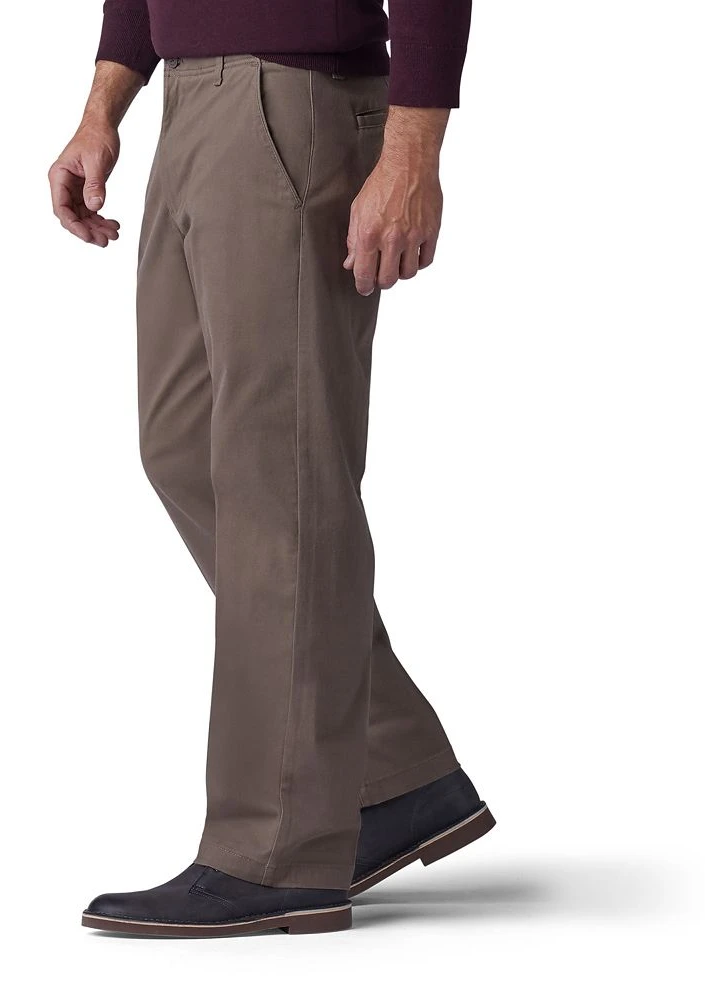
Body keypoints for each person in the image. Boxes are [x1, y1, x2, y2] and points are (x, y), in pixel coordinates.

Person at [49, 0, 492, 938]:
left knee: (276, 475)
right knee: (183, 447)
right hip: (193, 101)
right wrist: (101, 109)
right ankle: (392, 773)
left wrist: (413, 155)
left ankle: (278, 851)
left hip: (291, 98)